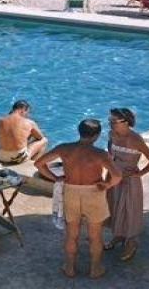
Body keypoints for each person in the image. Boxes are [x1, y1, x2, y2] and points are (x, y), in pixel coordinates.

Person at [35, 119, 121, 279]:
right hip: (94, 192)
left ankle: (69, 268)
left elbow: (39, 164)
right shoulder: (100, 154)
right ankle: (95, 269)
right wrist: (107, 185)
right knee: (95, 236)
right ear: (96, 135)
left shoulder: (64, 148)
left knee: (71, 234)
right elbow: (117, 176)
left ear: (79, 131)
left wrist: (56, 178)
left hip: (71, 192)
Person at [104, 108, 149, 261]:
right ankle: (118, 236)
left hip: (129, 181)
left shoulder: (135, 139)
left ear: (126, 122)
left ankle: (131, 242)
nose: (110, 124)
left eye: (113, 121)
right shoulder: (111, 134)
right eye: (110, 120)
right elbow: (110, 155)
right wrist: (107, 176)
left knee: (129, 211)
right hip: (114, 177)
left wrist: (139, 173)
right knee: (114, 207)